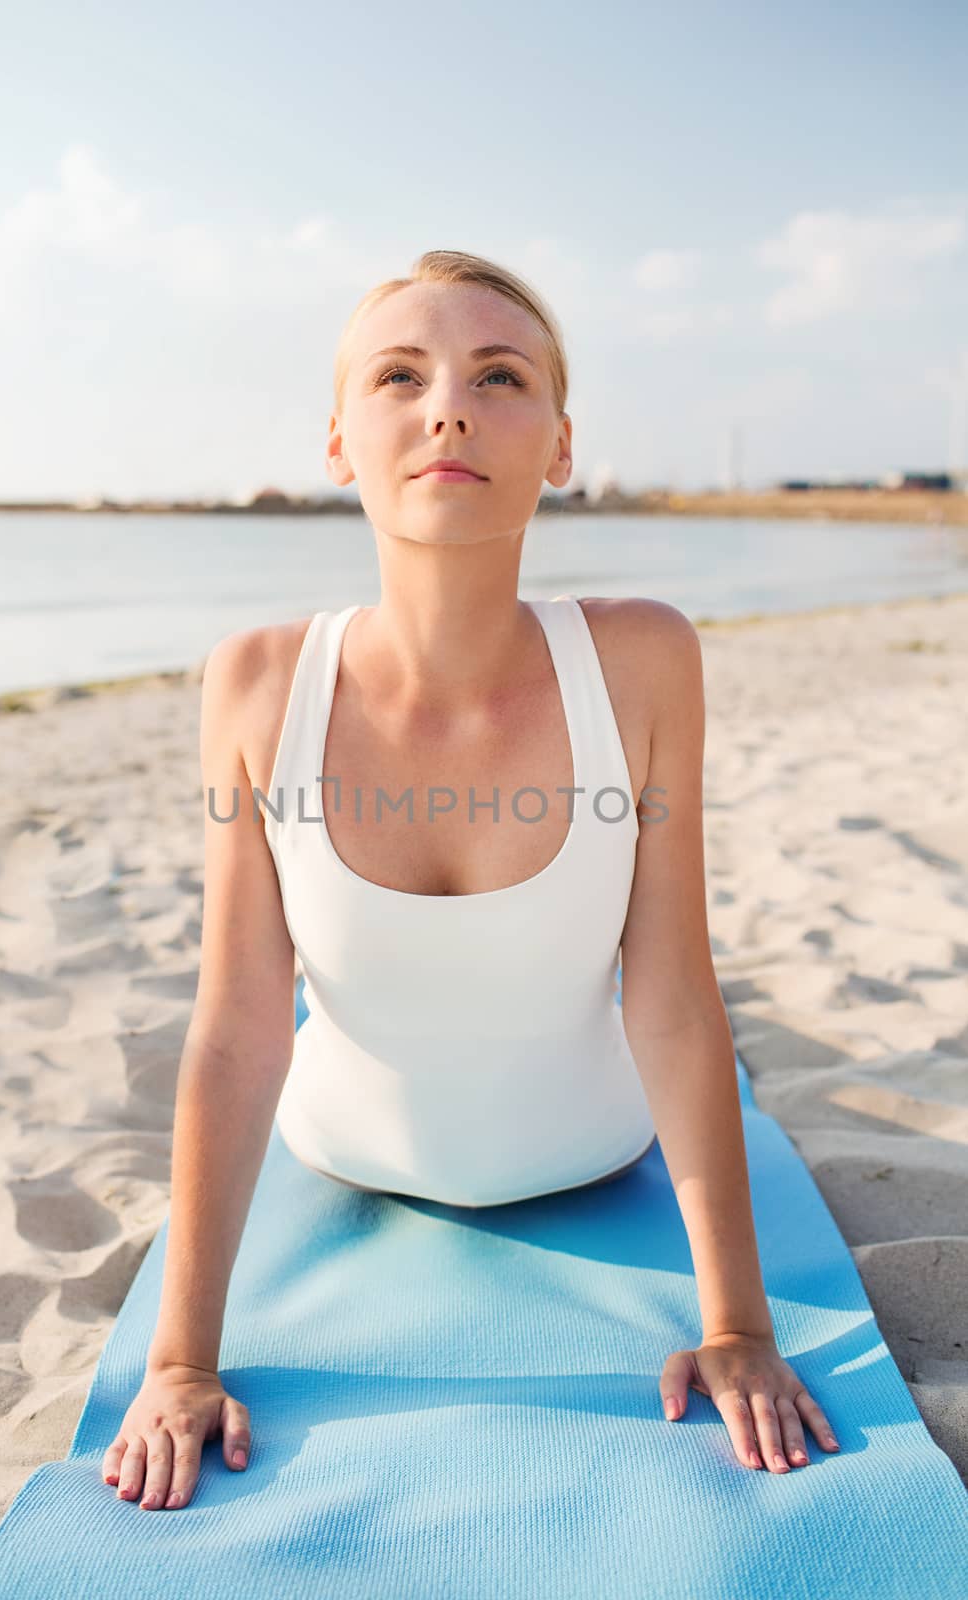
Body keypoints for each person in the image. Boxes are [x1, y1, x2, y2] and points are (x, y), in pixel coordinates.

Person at [101, 249, 841, 1515]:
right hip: (341, 1149)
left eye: (498, 375)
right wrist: (178, 1361)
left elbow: (669, 994)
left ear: (558, 444)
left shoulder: (644, 659)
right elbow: (234, 1025)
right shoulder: (257, 683)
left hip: (595, 1150)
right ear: (340, 440)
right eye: (401, 373)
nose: (447, 404)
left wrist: (735, 1325)